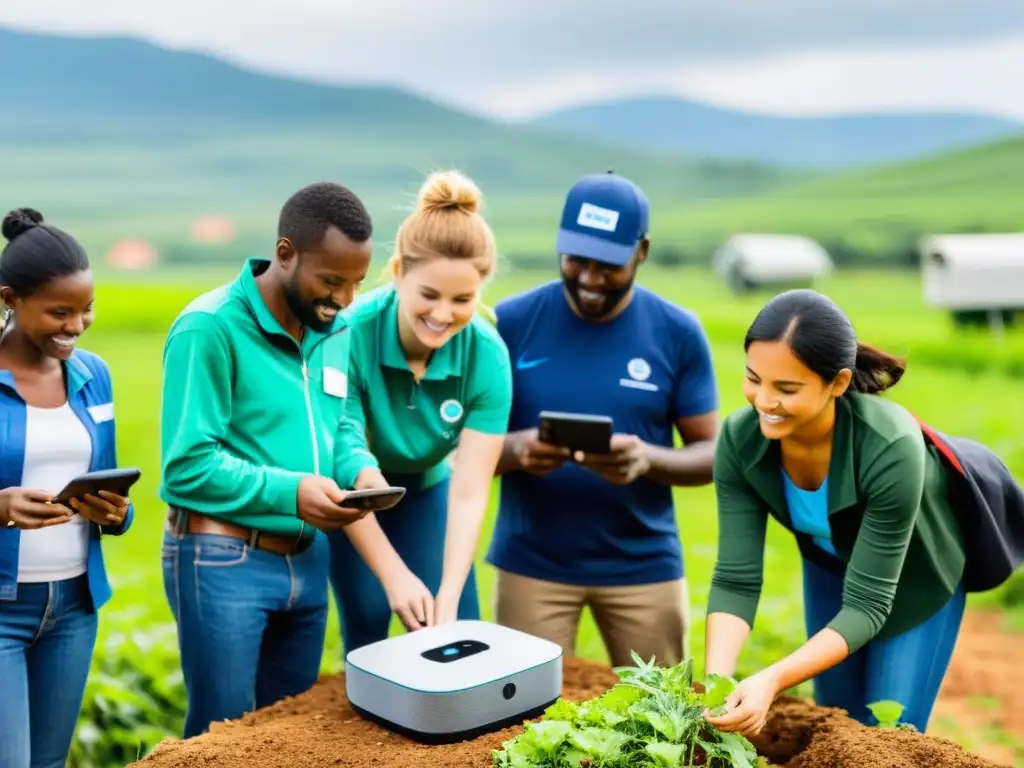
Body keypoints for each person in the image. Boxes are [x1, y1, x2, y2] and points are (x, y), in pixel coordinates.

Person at [159, 182, 381, 738]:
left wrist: (359, 467)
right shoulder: (209, 327)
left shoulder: (336, 328)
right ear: (285, 254)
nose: (344, 299)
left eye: (356, 283)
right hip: (222, 559)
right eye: (331, 281)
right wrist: (292, 492)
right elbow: (187, 465)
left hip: (308, 559)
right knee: (223, 739)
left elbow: (344, 420)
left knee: (289, 739)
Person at [704, 288, 970, 737]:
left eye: (786, 388)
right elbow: (736, 578)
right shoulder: (739, 441)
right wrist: (717, 684)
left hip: (915, 581)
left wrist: (771, 679)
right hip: (831, 567)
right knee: (836, 729)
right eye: (754, 379)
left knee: (887, 733)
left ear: (838, 383)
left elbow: (868, 604)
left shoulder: (890, 447)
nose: (764, 402)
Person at [487, 171, 720, 668]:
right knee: (521, 720)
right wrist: (517, 449)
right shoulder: (509, 323)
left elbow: (713, 453)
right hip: (531, 565)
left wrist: (646, 459)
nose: (590, 278)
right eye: (577, 259)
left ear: (642, 251)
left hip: (644, 568)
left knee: (660, 722)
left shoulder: (677, 331)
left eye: (608, 265)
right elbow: (464, 448)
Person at [327, 169, 512, 652]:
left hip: (430, 491)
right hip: (356, 495)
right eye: (429, 295)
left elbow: (470, 491)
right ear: (398, 272)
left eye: (463, 299)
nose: (443, 314)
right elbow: (341, 452)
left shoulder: (487, 356)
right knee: (367, 617)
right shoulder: (347, 335)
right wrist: (393, 576)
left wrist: (448, 596)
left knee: (457, 631)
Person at [0, 208, 134, 768]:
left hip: (74, 606)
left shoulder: (91, 373)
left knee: (49, 764)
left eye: (86, 310)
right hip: (3, 610)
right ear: (10, 298)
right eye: (59, 312)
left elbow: (111, 478)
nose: (75, 327)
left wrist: (115, 514)